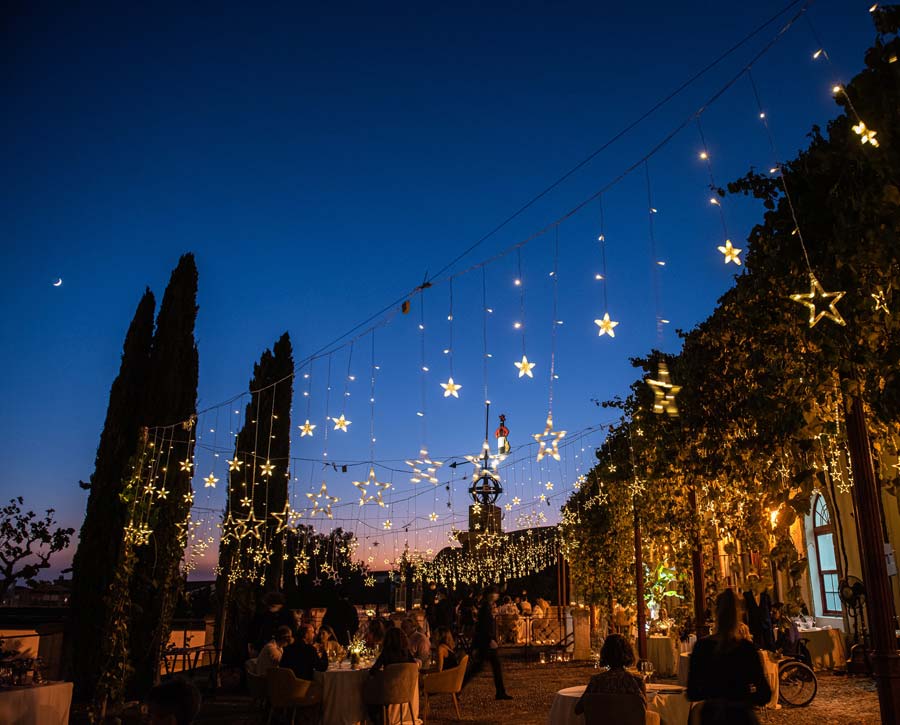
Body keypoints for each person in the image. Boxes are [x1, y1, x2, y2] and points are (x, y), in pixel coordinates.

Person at [687, 589, 772, 724]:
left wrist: (713, 696)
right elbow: (765, 694)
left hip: (712, 718)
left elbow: (692, 692)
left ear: (715, 613)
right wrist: (743, 699)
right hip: (741, 718)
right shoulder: (746, 649)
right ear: (740, 613)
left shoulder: (702, 647)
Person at [573, 633, 645, 715]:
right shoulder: (636, 681)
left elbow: (578, 709)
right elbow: (643, 709)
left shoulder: (597, 681)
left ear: (604, 654)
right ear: (629, 654)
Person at [463, 587, 512, 700]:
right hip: (485, 643)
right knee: (477, 668)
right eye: (495, 593)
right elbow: (483, 626)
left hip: (485, 642)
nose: (497, 595)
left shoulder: (486, 606)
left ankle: (500, 692)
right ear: (490, 595)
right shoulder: (485, 607)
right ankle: (457, 687)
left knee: (489, 667)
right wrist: (490, 639)